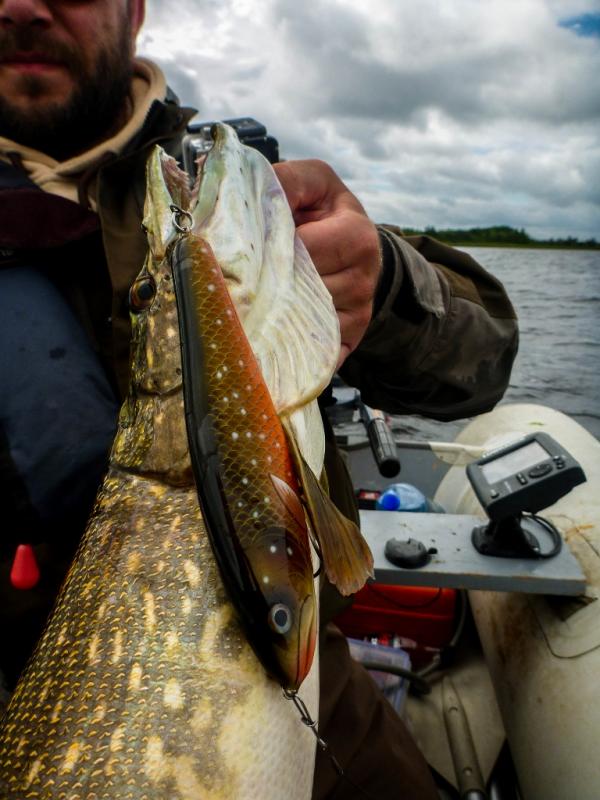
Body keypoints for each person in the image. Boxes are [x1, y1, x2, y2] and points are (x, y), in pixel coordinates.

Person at [0, 1, 518, 798]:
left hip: (304, 678)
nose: (23, 6)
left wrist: (380, 283)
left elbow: (486, 363)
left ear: (134, 11)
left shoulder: (232, 186)